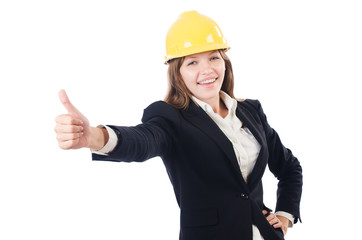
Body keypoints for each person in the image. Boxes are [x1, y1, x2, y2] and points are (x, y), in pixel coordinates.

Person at [54, 11, 302, 240]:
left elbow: (289, 167)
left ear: (225, 62)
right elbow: (143, 140)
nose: (207, 69)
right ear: (178, 73)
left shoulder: (251, 111)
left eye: (214, 57)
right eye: (192, 62)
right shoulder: (170, 117)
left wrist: (285, 215)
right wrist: (96, 137)